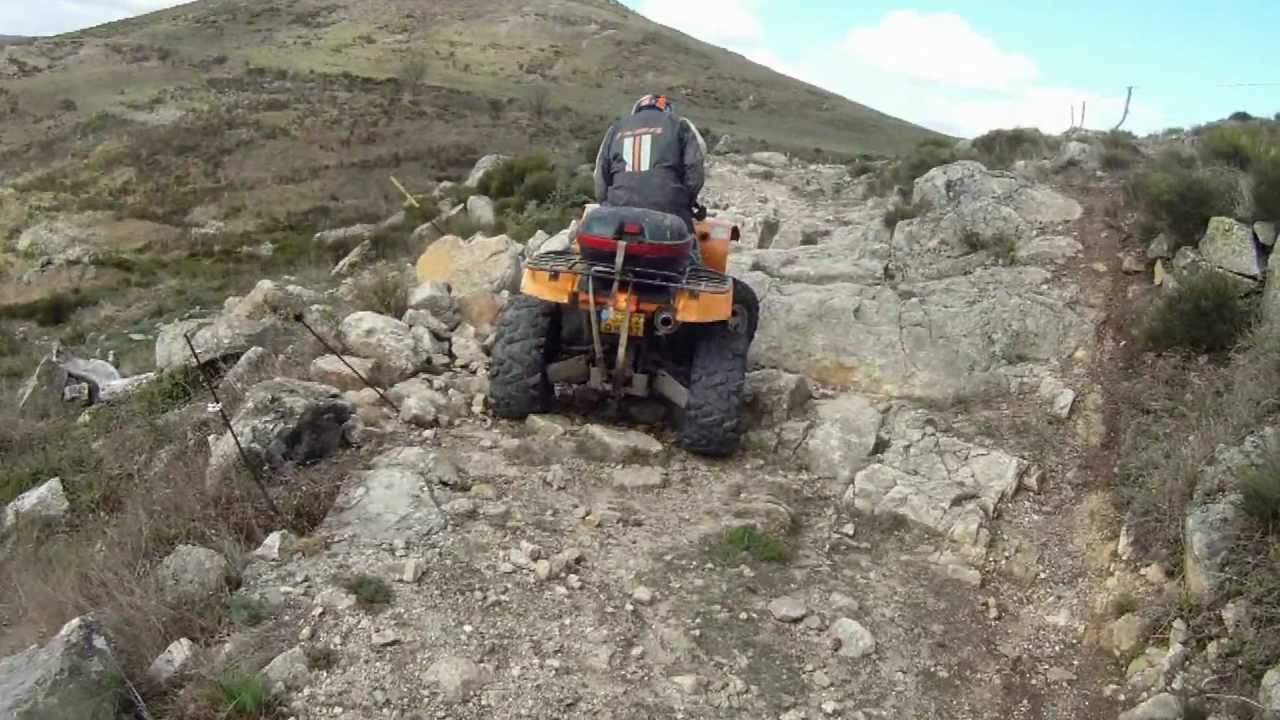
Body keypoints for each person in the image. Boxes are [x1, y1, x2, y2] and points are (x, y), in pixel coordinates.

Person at [592, 94, 707, 236]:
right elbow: (695, 172)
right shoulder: (680, 124)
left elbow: (600, 177)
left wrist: (606, 204)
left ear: (637, 110)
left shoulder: (615, 128)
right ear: (667, 110)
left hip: (618, 208)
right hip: (669, 209)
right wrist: (685, 200)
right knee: (690, 248)